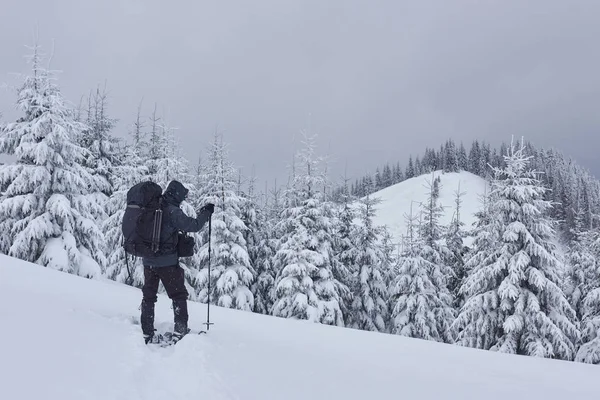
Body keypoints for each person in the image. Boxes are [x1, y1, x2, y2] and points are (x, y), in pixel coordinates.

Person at [140, 180, 214, 344]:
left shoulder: (152, 208)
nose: (183, 199)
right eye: (182, 196)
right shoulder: (173, 211)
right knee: (178, 295)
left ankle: (147, 331)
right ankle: (180, 331)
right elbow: (193, 226)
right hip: (167, 263)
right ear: (177, 195)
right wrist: (206, 213)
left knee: (149, 296)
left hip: (148, 261)